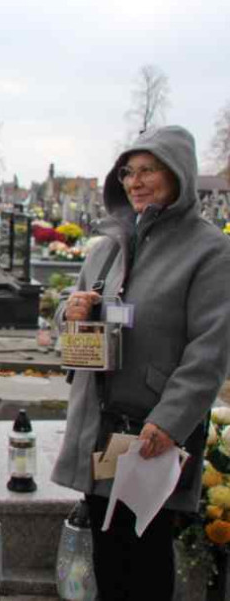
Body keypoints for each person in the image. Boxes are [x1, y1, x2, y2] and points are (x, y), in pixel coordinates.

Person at [52, 126, 230, 600]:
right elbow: (71, 316)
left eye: (149, 169)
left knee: (145, 556)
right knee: (108, 554)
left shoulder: (209, 250)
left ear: (179, 174)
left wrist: (169, 421)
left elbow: (210, 350)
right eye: (128, 172)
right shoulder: (108, 245)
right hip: (100, 426)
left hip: (151, 433)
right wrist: (68, 311)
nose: (136, 181)